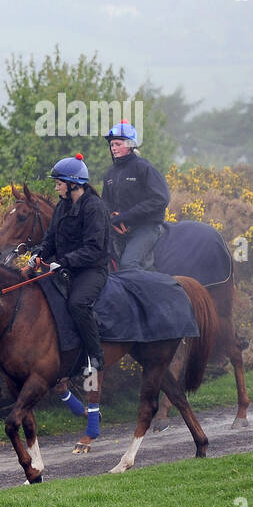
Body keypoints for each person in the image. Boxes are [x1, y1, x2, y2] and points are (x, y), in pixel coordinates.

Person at [32, 154, 113, 378]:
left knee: (77, 304)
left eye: (59, 183)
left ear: (72, 184)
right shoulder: (62, 206)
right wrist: (39, 253)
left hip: (91, 270)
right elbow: (50, 238)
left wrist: (64, 262)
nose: (57, 188)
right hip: (65, 268)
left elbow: (94, 249)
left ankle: (95, 356)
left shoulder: (94, 207)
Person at [101, 120, 170, 271]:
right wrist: (110, 218)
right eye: (112, 145)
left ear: (130, 145)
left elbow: (161, 199)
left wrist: (125, 216)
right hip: (118, 229)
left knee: (128, 265)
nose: (113, 148)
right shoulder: (109, 174)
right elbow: (105, 203)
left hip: (146, 228)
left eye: (118, 144)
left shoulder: (144, 167)